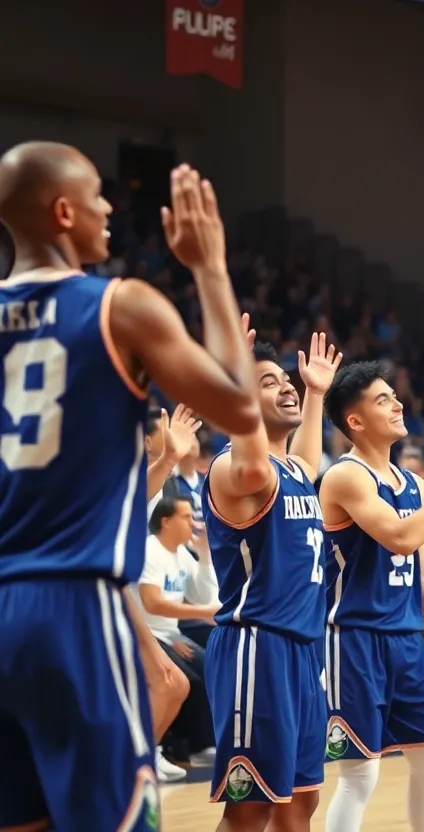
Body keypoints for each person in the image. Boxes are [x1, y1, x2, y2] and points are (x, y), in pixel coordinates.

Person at [0, 145, 260, 831]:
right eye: (97, 198)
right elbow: (239, 405)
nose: (111, 209)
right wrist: (208, 268)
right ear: (63, 213)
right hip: (74, 607)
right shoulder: (119, 305)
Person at [319, 361, 424, 832]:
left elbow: (423, 570)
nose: (398, 403)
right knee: (360, 775)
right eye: (383, 399)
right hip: (354, 640)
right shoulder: (346, 477)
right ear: (355, 421)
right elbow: (401, 539)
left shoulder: (415, 483)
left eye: (394, 395)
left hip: (407, 643)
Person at [203, 331, 341, 830]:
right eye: (268, 382)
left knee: (300, 801)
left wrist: (317, 394)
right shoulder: (236, 471)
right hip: (256, 649)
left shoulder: (296, 471)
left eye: (287, 380)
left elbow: (305, 459)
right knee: (251, 807)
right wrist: (236, 380)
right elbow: (254, 465)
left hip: (304, 651)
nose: (287, 388)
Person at [139, 493, 220, 778]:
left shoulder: (180, 552)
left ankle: (202, 744)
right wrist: (201, 612)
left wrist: (205, 554)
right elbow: (152, 603)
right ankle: (155, 750)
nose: (193, 523)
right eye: (187, 517)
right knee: (183, 682)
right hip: (147, 634)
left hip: (169, 633)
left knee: (212, 668)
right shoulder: (150, 550)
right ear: (167, 521)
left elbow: (203, 596)